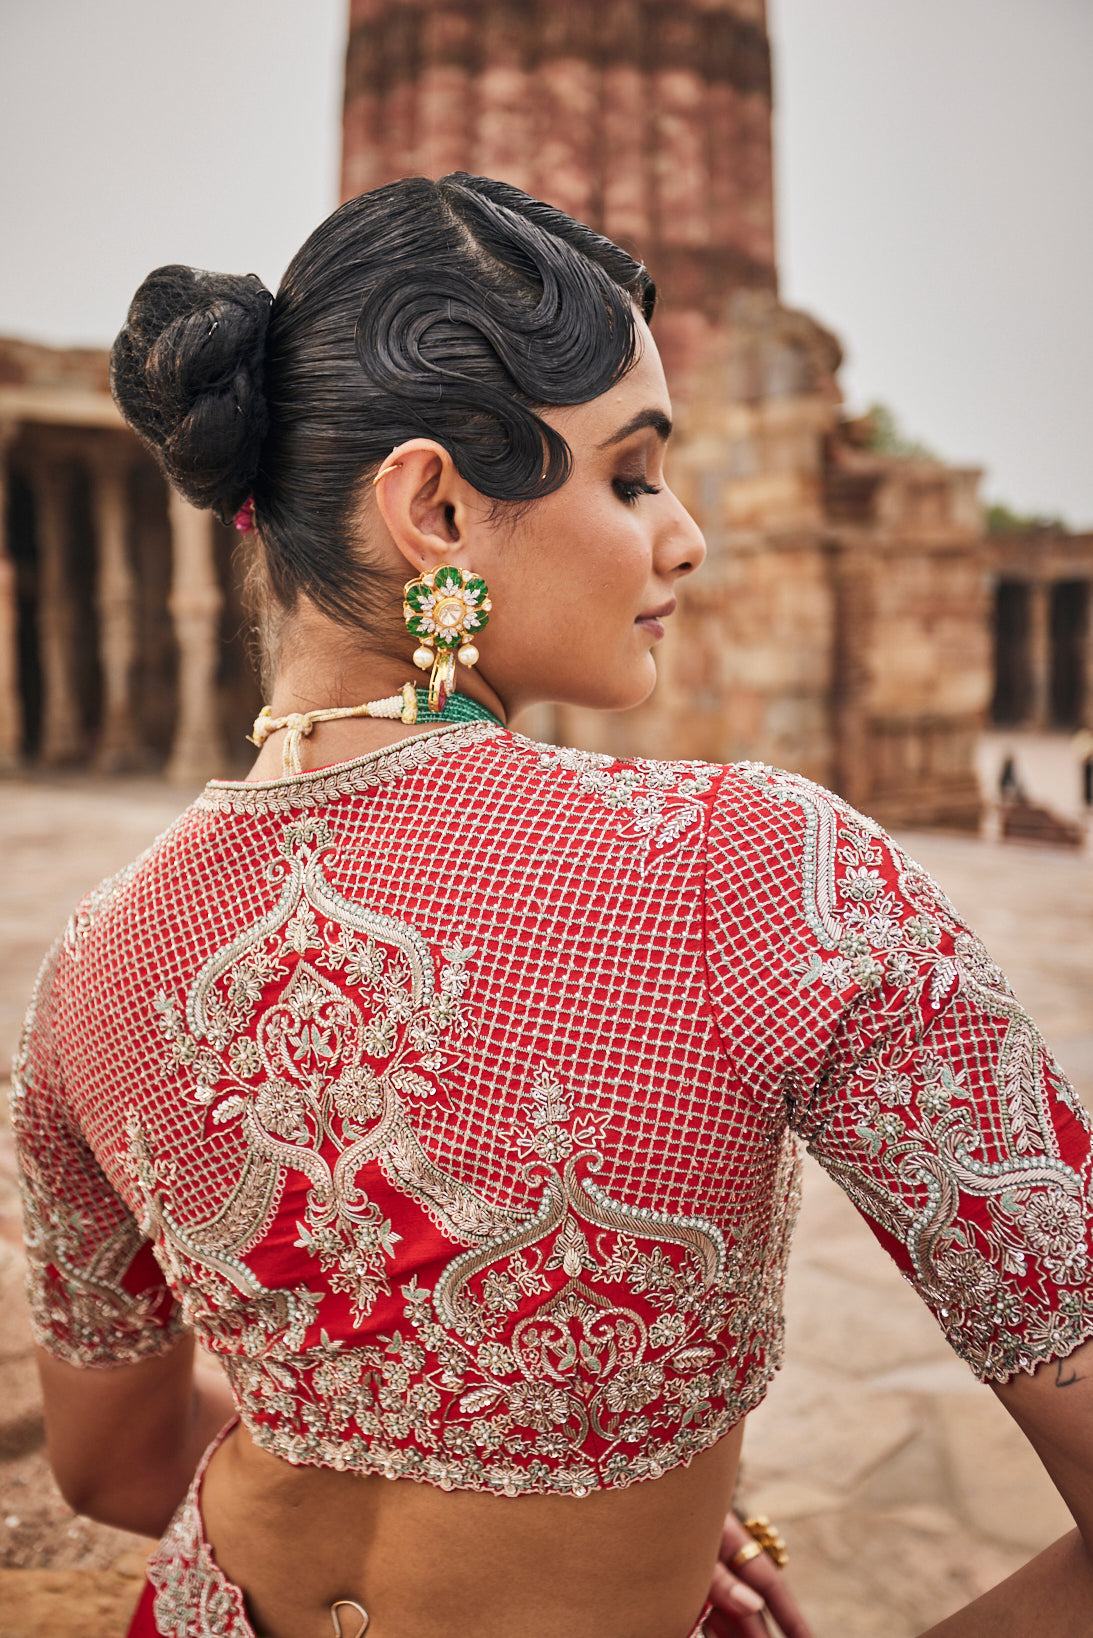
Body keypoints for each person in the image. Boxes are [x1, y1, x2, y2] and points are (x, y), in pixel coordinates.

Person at [11, 173, 1093, 1638]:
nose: (683, 536)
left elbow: (114, 1458)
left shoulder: (90, 961)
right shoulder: (751, 868)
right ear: (436, 505)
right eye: (632, 473)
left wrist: (469, 1491)